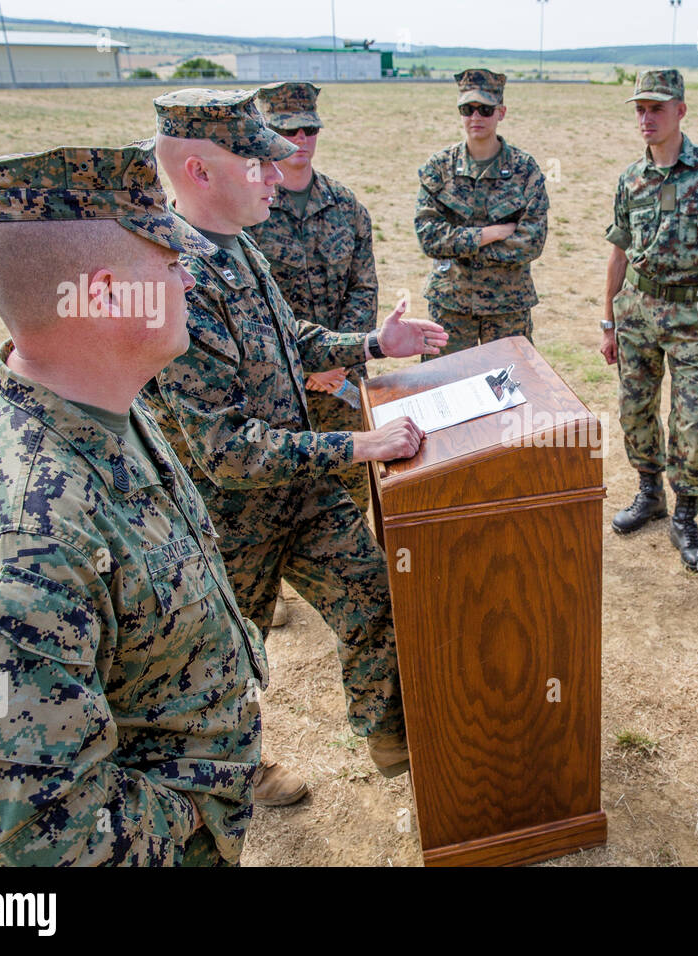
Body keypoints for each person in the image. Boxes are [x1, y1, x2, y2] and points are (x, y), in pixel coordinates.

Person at [0, 143, 263, 865]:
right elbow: (11, 841)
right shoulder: (22, 544)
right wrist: (187, 824)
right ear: (104, 296)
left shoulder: (99, 401)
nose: (189, 283)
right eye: (170, 265)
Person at [143, 89, 447, 804]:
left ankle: (391, 739)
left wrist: (373, 342)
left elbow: (292, 339)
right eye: (259, 163)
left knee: (372, 595)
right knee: (229, 656)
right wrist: (357, 445)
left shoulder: (238, 245)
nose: (278, 175)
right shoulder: (173, 279)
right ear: (199, 171)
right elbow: (226, 451)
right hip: (231, 517)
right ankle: (235, 771)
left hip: (299, 491)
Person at [601, 69, 698, 571]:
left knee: (690, 419)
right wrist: (608, 319)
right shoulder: (631, 177)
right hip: (637, 310)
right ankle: (649, 494)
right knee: (635, 408)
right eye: (640, 109)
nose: (646, 118)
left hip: (691, 312)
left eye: (657, 108)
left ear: (681, 111)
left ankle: (685, 514)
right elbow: (619, 248)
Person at [247, 81, 378, 514]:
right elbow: (248, 306)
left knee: (354, 504)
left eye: (308, 129)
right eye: (287, 131)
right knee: (280, 508)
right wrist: (302, 366)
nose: (299, 140)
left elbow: (363, 288)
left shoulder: (346, 206)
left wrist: (335, 362)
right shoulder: (247, 210)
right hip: (275, 390)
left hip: (341, 386)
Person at [414, 68, 548, 359]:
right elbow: (430, 239)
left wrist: (461, 248)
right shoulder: (439, 168)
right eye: (468, 109)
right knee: (443, 390)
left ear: (501, 112)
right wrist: (489, 235)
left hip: (507, 307)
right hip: (451, 305)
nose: (476, 117)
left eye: (485, 110)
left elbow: (531, 242)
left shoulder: (525, 169)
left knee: (510, 389)